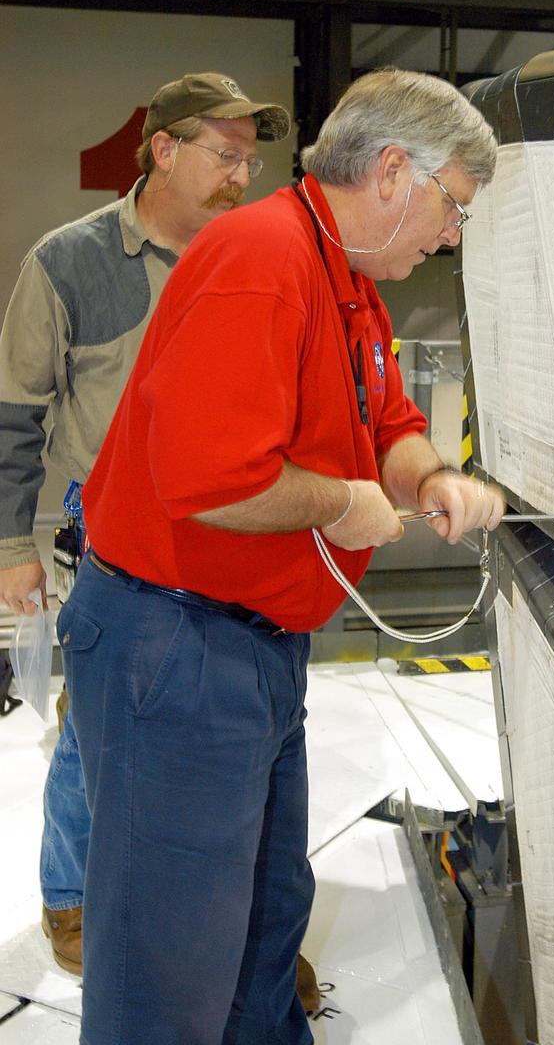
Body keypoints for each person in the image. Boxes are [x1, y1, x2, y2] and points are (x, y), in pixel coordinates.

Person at [58, 67, 504, 1044]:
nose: (449, 235)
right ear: (393, 171)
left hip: (251, 648)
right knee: (165, 961)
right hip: (172, 645)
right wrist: (344, 503)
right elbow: (212, 480)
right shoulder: (259, 258)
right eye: (451, 207)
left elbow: (386, 412)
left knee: (260, 925)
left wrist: (423, 475)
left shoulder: (347, 281)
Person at [0, 71, 320, 1010]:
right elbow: (14, 415)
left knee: (231, 728)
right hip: (106, 531)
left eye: (251, 159)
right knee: (98, 730)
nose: (242, 174)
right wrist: (11, 546)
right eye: (226, 155)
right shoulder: (70, 263)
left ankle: (232, 940)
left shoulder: (250, 255)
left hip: (230, 524)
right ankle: (73, 897)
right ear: (164, 150)